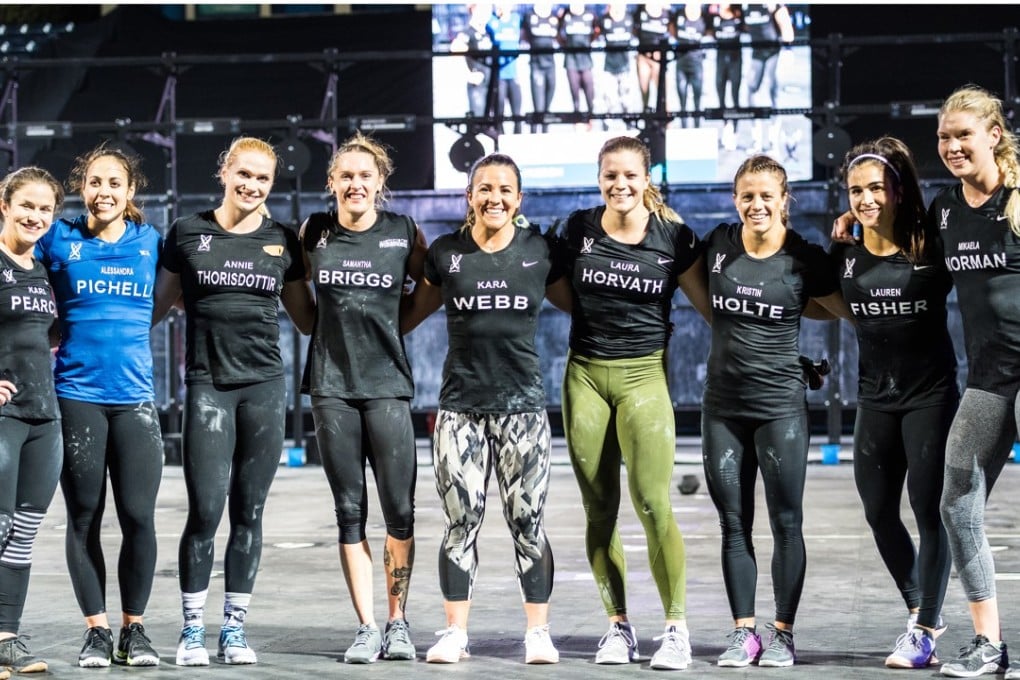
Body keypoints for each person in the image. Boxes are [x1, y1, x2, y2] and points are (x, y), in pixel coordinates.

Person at [829, 85, 1020, 679]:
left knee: (948, 505)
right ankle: (987, 644)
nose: (953, 145)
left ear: (994, 133)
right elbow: (895, 245)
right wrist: (858, 221)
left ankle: (940, 626)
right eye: (944, 137)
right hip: (989, 379)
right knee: (956, 503)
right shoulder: (943, 211)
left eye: (964, 134)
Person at [402, 153, 571, 665]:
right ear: (469, 197)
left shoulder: (540, 252)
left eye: (504, 189)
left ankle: (538, 633)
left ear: (518, 199)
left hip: (523, 408)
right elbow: (408, 314)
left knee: (528, 523)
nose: (494, 197)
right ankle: (455, 632)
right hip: (460, 409)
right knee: (461, 523)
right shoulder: (446, 255)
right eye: (484, 188)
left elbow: (585, 306)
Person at [152, 136, 315, 667]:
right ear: (224, 171)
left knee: (250, 511)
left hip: (265, 388)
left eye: (262, 178)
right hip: (208, 389)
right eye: (243, 173)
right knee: (204, 511)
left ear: (271, 185)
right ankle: (192, 630)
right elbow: (154, 308)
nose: (251, 185)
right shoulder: (187, 233)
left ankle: (234, 631)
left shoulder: (283, 240)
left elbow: (308, 318)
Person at [556, 135, 711, 670]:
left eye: (630, 176)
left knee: (651, 501)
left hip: (645, 378)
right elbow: (555, 289)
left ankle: (676, 628)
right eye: (610, 177)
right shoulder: (577, 229)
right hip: (585, 377)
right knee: (599, 509)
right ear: (599, 179)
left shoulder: (675, 238)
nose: (620, 185)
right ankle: (617, 627)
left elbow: (712, 307)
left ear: (648, 179)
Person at [703, 154, 849, 668]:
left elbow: (852, 306)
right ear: (735, 199)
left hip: (780, 408)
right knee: (733, 524)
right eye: (748, 195)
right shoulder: (718, 246)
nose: (757, 204)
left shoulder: (805, 259)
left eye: (767, 195)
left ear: (785, 200)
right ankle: (743, 633)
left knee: (787, 522)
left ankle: (782, 634)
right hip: (722, 408)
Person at [34, 145, 164, 668]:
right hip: (76, 398)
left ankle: (135, 630)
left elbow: (176, 294)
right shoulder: (58, 239)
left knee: (138, 517)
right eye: (94, 182)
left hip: (135, 401)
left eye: (114, 183)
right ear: (81, 187)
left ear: (130, 191)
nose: (103, 192)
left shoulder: (151, 242)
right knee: (84, 516)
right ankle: (96, 631)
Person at [300, 133, 427, 664]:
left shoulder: (404, 232)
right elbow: (295, 293)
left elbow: (426, 292)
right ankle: (368, 625)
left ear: (381, 183)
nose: (355, 184)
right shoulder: (313, 232)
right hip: (331, 388)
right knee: (349, 512)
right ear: (332, 183)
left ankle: (398, 622)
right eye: (345, 176)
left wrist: (391, 331)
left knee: (399, 510)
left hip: (388, 387)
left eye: (365, 176)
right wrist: (320, 331)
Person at [832, 137, 956, 669]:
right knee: (879, 511)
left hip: (930, 397)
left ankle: (925, 627)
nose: (866, 199)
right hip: (874, 398)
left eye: (876, 188)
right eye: (856, 190)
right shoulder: (844, 254)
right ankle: (918, 609)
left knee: (931, 513)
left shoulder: (934, 244)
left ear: (898, 190)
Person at [0, 166, 64, 677]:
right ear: (5, 204)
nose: (35, 216)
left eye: (45, 209)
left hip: (46, 416)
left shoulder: (44, 269)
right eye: (27, 205)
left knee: (22, 534)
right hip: (4, 417)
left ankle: (6, 639)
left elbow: (49, 337)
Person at [743, 3, 794, 153]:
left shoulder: (773, 4)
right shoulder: (744, 5)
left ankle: (773, 141)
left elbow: (786, 26)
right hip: (757, 53)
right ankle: (757, 139)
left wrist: (788, 49)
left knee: (774, 92)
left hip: (774, 52)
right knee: (751, 91)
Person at [450, 4, 496, 137]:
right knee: (478, 122)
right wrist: (468, 74)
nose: (487, 14)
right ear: (474, 10)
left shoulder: (487, 32)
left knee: (489, 122)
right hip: (477, 85)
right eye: (484, 10)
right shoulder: (467, 32)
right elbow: (455, 49)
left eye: (488, 11)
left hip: (489, 82)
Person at [708, 4, 744, 151]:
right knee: (720, 96)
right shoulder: (714, 18)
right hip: (720, 61)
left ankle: (735, 132)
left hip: (735, 61)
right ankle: (726, 129)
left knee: (735, 96)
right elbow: (707, 32)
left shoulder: (739, 16)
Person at [522, 2, 560, 133]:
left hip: (551, 65)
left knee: (548, 104)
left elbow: (559, 37)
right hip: (536, 65)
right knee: (538, 106)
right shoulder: (529, 16)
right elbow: (524, 35)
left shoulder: (554, 18)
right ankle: (534, 132)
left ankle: (545, 132)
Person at [598, 2, 637, 128]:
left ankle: (630, 127)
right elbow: (596, 34)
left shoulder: (630, 19)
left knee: (627, 100)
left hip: (626, 67)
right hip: (609, 67)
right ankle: (607, 127)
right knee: (609, 100)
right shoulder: (603, 20)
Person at [560, 3, 597, 130]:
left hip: (586, 59)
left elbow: (597, 31)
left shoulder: (590, 15)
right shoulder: (565, 15)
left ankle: (591, 121)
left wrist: (589, 43)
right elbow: (557, 33)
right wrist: (565, 45)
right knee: (575, 93)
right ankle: (577, 122)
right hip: (571, 60)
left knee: (589, 91)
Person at [489, 4, 525, 135]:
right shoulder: (491, 21)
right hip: (498, 75)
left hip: (514, 74)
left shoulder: (517, 19)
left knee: (517, 114)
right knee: (499, 113)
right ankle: (500, 142)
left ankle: (518, 141)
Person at [672, 3, 708, 128]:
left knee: (697, 101)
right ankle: (684, 129)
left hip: (697, 64)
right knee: (682, 101)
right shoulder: (678, 15)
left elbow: (710, 33)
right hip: (681, 63)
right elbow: (671, 30)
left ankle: (697, 128)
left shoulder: (705, 18)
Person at [635, 3, 673, 112]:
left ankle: (665, 122)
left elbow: (673, 31)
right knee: (644, 92)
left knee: (663, 93)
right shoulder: (640, 10)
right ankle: (647, 120)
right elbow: (635, 30)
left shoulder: (667, 13)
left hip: (660, 57)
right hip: (643, 56)